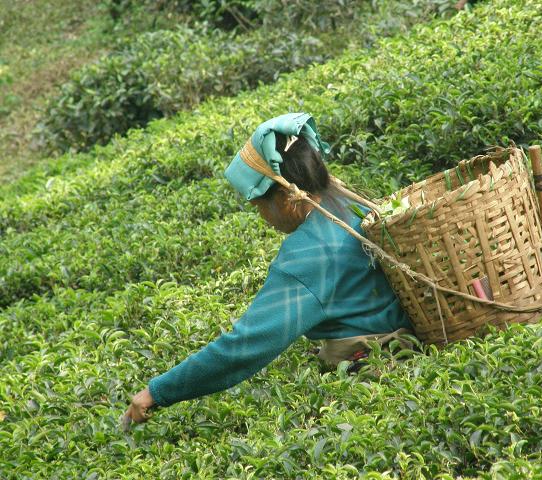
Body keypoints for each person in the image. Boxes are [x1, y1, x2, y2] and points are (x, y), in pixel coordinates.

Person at [124, 113, 412, 426]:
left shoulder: (307, 256)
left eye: (259, 205)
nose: (262, 215)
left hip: (376, 368)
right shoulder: (349, 203)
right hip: (409, 341)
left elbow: (245, 347)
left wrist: (156, 392)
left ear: (288, 200)